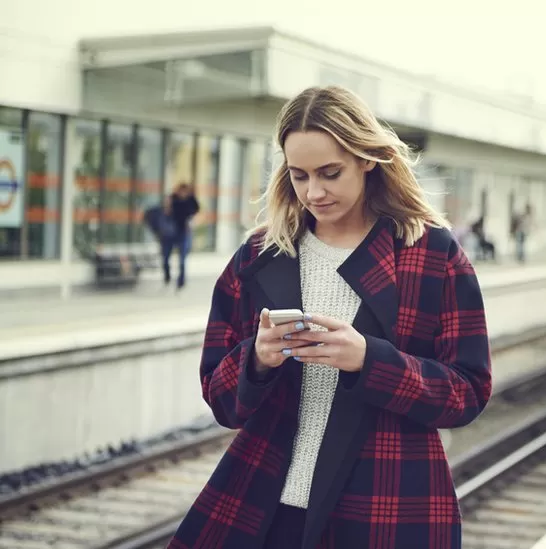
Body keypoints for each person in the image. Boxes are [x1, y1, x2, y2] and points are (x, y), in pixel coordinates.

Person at [170, 86, 492, 549]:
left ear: (367, 159)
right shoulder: (260, 257)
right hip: (266, 509)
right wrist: (257, 360)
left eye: (330, 173)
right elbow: (221, 402)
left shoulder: (432, 257)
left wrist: (370, 360)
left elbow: (468, 392)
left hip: (383, 511)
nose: (314, 192)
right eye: (299, 175)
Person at [162, 183, 200, 289]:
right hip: (171, 232)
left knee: (182, 259)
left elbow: (197, 211)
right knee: (165, 257)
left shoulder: (191, 199)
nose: (183, 193)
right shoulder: (172, 198)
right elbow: (165, 212)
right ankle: (167, 276)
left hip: (184, 232)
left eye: (185, 191)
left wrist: (192, 221)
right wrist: (167, 205)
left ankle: (181, 281)